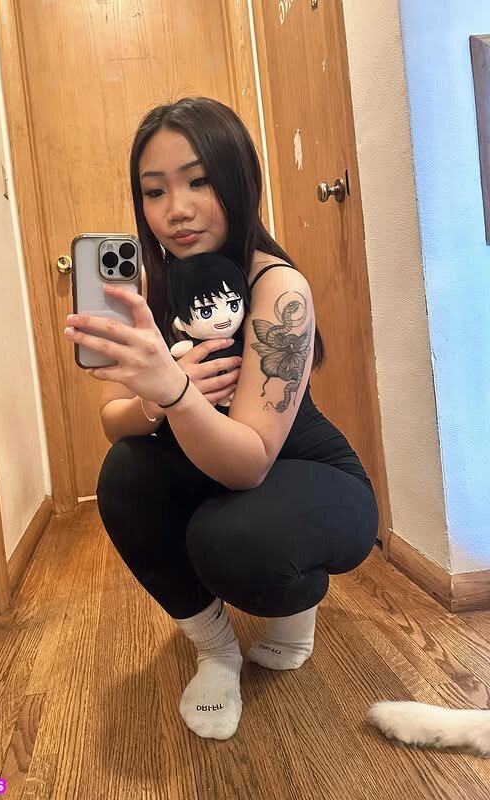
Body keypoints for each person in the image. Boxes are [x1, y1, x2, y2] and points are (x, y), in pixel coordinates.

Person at [64, 97, 378, 741]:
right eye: (155, 191)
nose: (175, 209)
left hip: (307, 475)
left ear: (237, 181)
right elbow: (113, 423)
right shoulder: (156, 286)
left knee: (232, 540)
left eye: (198, 181)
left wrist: (178, 393)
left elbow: (249, 463)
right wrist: (154, 401)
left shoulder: (277, 288)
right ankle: (216, 651)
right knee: (124, 472)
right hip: (218, 468)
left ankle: (295, 607)